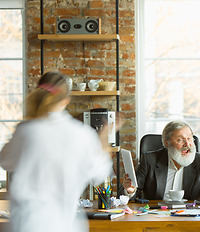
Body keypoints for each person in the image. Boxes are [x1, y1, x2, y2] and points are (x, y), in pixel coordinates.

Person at [0, 72, 116, 232]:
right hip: (64, 224)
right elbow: (100, 172)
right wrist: (103, 139)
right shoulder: (82, 134)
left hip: (27, 223)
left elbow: (5, 161)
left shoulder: (26, 131)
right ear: (66, 100)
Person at [120, 120, 200, 201]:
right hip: (156, 219)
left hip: (189, 220)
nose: (187, 144)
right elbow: (133, 192)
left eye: (189, 138)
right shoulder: (149, 160)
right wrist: (130, 191)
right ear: (167, 143)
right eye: (180, 140)